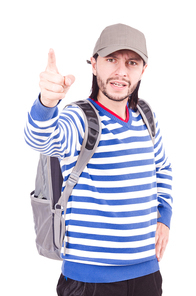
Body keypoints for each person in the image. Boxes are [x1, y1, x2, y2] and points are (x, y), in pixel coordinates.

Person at [25, 23, 172, 296]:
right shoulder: (80, 118)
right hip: (90, 280)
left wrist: (164, 216)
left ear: (143, 70)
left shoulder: (146, 116)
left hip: (147, 274)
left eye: (132, 62)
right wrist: (47, 103)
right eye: (111, 60)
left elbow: (162, 167)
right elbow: (41, 140)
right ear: (94, 65)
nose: (121, 72)